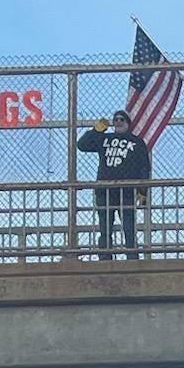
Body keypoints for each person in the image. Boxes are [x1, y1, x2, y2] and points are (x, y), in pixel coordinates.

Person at [77, 109, 151, 260]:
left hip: (127, 191)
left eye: (122, 119)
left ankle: (132, 258)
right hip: (105, 191)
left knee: (129, 227)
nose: (118, 122)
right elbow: (82, 145)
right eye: (116, 119)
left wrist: (143, 192)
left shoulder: (137, 142)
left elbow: (144, 167)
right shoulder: (105, 139)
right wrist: (96, 130)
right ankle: (105, 257)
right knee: (105, 228)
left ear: (128, 123)